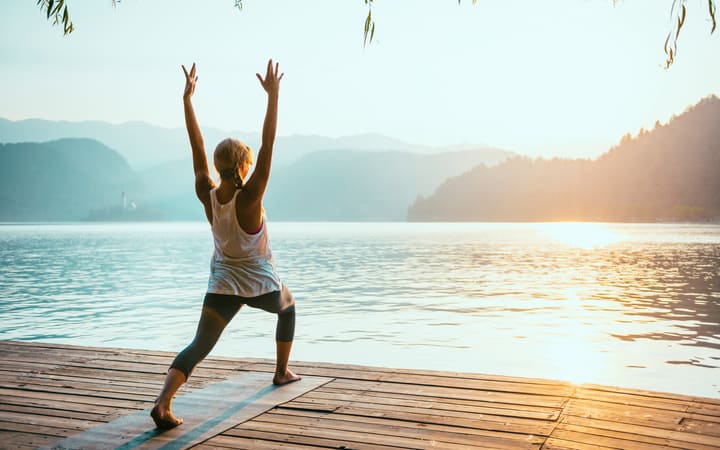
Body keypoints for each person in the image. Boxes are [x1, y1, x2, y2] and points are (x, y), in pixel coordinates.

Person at [151, 59, 300, 430]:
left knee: (199, 346)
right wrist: (274, 96)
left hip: (222, 285)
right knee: (289, 307)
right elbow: (269, 142)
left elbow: (196, 143)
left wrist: (187, 100)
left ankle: (163, 402)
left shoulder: (208, 193)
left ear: (218, 166)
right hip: (260, 284)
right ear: (246, 166)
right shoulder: (250, 198)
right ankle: (281, 372)